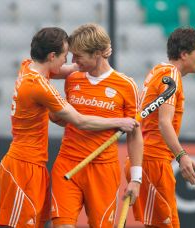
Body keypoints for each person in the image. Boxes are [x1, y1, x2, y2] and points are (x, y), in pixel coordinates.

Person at [0, 27, 138, 228]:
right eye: (66, 56)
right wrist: (118, 122)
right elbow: (79, 120)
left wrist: (92, 58)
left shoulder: (27, 66)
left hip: (34, 164)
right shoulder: (41, 87)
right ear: (52, 55)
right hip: (24, 164)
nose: (69, 61)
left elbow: (61, 71)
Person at [50, 23, 143, 228]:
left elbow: (135, 135)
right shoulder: (72, 78)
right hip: (68, 163)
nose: (73, 61)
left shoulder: (126, 85)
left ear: (98, 53)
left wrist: (136, 179)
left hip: (103, 171)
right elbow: (41, 67)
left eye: (78, 56)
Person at [125, 27, 195, 227]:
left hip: (148, 159)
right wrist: (182, 156)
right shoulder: (171, 76)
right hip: (153, 161)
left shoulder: (159, 70)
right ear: (183, 54)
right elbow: (164, 123)